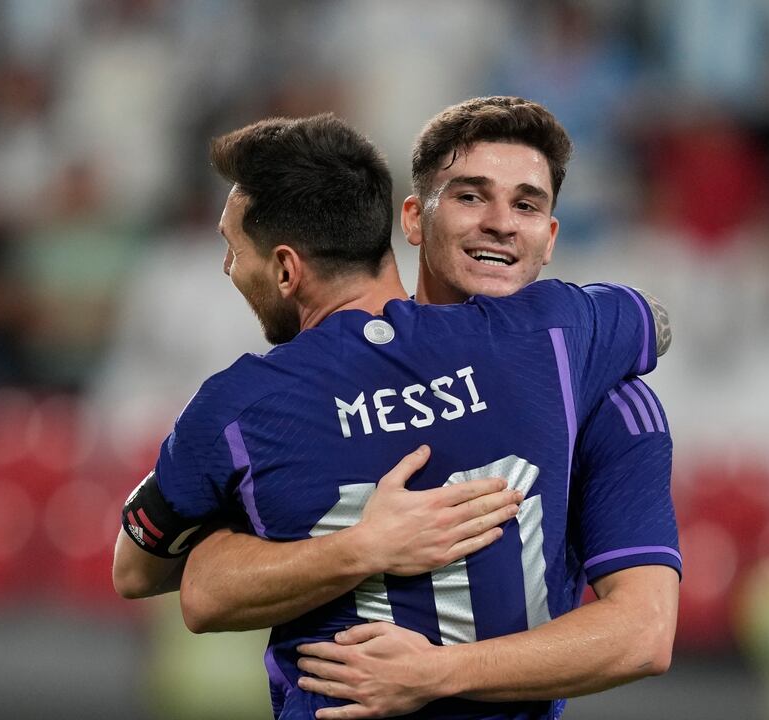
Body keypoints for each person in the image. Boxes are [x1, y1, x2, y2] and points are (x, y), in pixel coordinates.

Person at [112, 111, 672, 719]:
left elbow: (642, 632)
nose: (501, 224)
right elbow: (202, 589)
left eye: (527, 206)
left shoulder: (249, 404)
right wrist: (363, 546)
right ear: (412, 218)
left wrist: (436, 673)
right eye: (469, 196)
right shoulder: (562, 334)